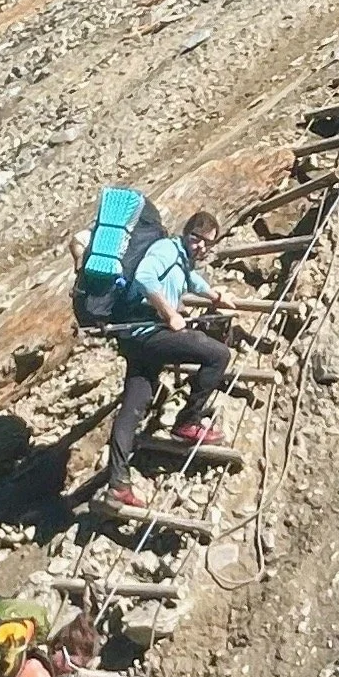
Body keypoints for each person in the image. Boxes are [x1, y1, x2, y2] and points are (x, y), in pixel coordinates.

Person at [100, 209, 229, 516]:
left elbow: (189, 277)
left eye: (208, 244)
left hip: (137, 340)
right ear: (188, 234)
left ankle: (117, 484)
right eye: (200, 241)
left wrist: (214, 294)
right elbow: (145, 276)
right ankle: (188, 421)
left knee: (133, 406)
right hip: (150, 334)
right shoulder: (165, 249)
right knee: (218, 354)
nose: (202, 248)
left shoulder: (180, 258)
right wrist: (169, 313)